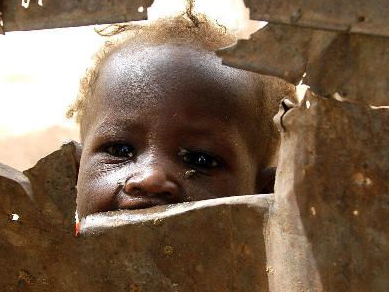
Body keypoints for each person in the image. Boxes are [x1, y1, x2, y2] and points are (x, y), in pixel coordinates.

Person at [67, 13, 293, 219]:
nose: (151, 179)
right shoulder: (44, 260)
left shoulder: (277, 265)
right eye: (120, 150)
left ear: (265, 195)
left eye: (200, 159)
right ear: (72, 177)